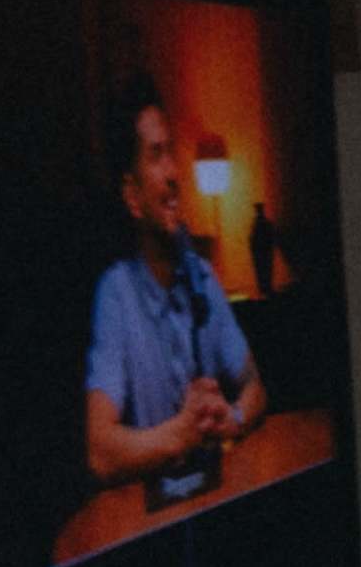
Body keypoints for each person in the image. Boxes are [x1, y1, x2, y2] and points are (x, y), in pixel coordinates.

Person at [83, 76, 264, 493]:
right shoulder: (116, 294)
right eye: (156, 156)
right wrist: (181, 433)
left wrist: (229, 418)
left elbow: (256, 388)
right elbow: (100, 451)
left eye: (171, 153)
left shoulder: (201, 276)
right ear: (131, 194)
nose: (174, 174)